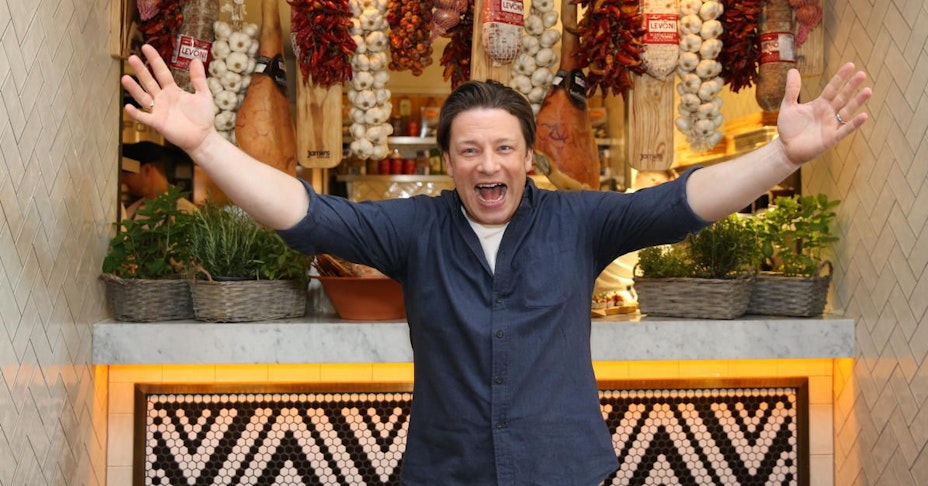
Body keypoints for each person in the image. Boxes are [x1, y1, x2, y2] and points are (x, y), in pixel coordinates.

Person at [121, 44, 871, 484]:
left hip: (564, 471)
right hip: (446, 473)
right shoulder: (415, 230)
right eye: (471, 150)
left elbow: (682, 203)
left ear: (529, 157)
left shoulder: (581, 221)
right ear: (448, 162)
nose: (489, 165)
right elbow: (306, 213)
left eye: (504, 148)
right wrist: (204, 145)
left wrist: (781, 156)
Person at [120, 141, 197, 219]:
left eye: (126, 174)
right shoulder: (131, 210)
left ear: (147, 170)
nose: (123, 181)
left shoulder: (185, 211)